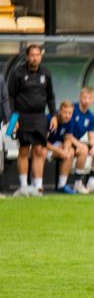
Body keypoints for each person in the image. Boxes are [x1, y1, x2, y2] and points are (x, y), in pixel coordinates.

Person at [9, 45, 56, 197]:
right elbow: (10, 97)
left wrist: (54, 115)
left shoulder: (46, 73)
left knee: (39, 150)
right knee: (23, 150)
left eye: (38, 55)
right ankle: (23, 186)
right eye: (32, 55)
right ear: (27, 56)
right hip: (21, 116)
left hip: (40, 116)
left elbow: (50, 96)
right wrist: (12, 119)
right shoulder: (17, 73)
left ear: (41, 56)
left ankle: (38, 186)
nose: (35, 58)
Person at [70, 87, 94, 194]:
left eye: (90, 98)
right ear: (80, 97)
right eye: (84, 97)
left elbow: (92, 136)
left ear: (93, 99)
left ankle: (92, 182)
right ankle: (77, 184)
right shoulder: (72, 109)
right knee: (84, 149)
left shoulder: (90, 116)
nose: (86, 100)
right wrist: (78, 144)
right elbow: (67, 133)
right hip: (65, 141)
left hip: (76, 142)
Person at [46, 100, 76, 194]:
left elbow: (68, 139)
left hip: (57, 147)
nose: (67, 115)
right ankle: (37, 185)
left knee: (70, 151)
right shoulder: (49, 119)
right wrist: (59, 150)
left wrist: (66, 150)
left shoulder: (70, 121)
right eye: (65, 112)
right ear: (59, 111)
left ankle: (62, 186)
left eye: (70, 113)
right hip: (45, 148)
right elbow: (42, 142)